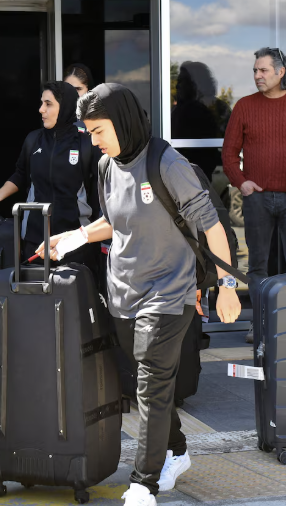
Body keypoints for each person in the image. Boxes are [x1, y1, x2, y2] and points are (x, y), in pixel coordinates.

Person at [39, 84, 240, 506]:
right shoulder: (106, 166)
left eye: (99, 131)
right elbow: (113, 221)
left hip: (170, 291)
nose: (94, 141)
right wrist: (72, 238)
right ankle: (177, 451)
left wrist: (226, 286)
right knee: (148, 384)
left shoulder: (167, 162)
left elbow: (211, 226)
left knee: (150, 384)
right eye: (89, 133)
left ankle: (142, 483)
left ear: (123, 121)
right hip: (123, 292)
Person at [221, 47, 286, 308]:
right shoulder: (244, 106)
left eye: (263, 70)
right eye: (255, 70)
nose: (257, 75)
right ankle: (261, 320)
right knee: (257, 265)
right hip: (256, 199)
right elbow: (229, 153)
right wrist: (241, 182)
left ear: (280, 72)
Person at [0, 81, 100, 273]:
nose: (41, 109)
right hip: (35, 240)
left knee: (71, 291)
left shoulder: (86, 143)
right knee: (34, 290)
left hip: (74, 240)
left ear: (65, 106)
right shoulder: (33, 140)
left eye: (48, 104)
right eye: (41, 103)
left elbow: (99, 190)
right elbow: (20, 175)